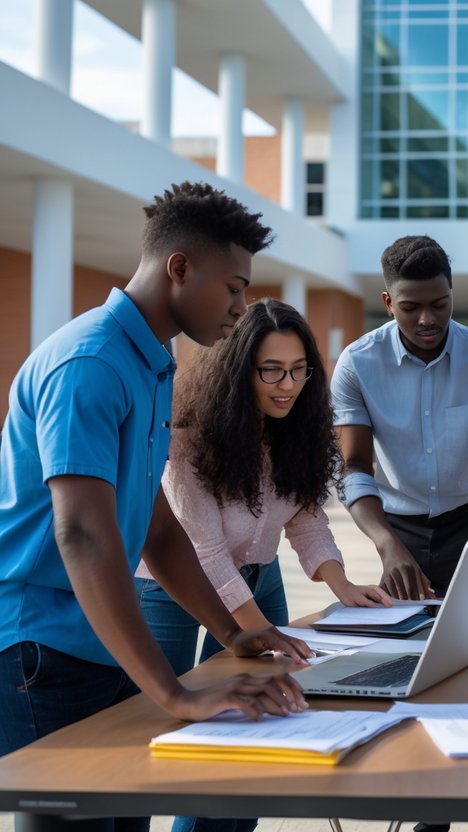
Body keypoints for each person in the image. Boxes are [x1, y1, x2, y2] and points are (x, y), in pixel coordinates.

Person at [0, 182, 311, 829]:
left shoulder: (154, 363)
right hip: (42, 654)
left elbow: (158, 528)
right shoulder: (88, 362)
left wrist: (233, 634)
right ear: (179, 268)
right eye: (233, 288)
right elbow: (83, 534)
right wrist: (174, 690)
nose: (240, 308)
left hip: (108, 649)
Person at [134, 298, 390, 677]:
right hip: (174, 585)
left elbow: (306, 517)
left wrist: (343, 585)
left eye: (298, 370)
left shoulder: (297, 428)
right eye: (271, 371)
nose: (288, 385)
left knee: (269, 682)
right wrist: (261, 630)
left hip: (260, 575)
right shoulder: (188, 440)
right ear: (237, 372)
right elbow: (208, 551)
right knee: (163, 702)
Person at [331, 236, 468, 604]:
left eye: (439, 304)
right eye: (410, 307)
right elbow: (352, 467)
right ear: (388, 303)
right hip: (398, 527)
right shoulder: (357, 364)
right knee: (408, 651)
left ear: (451, 293)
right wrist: (387, 545)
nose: (427, 319)